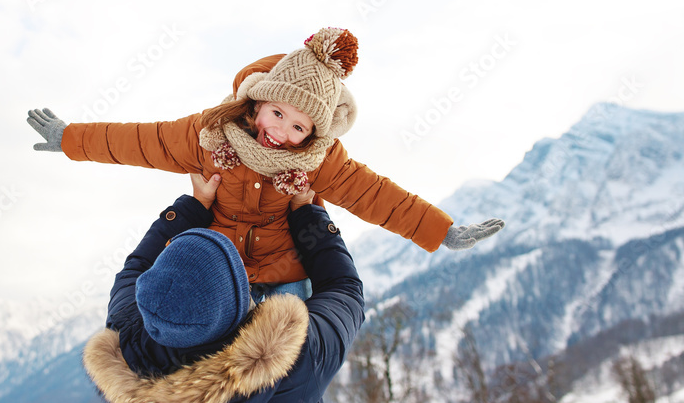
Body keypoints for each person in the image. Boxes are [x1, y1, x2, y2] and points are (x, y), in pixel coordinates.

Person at [29, 27, 504, 301]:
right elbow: (139, 141)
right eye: (277, 113)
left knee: (281, 370)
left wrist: (441, 231)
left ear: (313, 135)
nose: (281, 132)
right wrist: (70, 138)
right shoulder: (209, 134)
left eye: (298, 127)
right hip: (215, 268)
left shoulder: (321, 161)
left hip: (285, 276)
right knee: (210, 366)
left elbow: (376, 195)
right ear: (257, 103)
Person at [81, 172, 362, 403]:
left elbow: (132, 271)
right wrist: (307, 214)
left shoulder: (127, 348)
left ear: (146, 298)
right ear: (239, 304)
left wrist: (191, 208)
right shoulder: (293, 360)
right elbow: (345, 289)